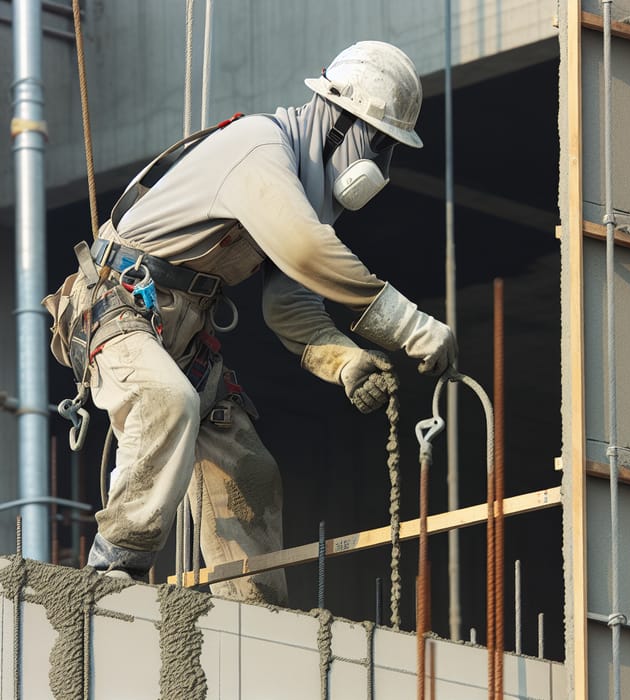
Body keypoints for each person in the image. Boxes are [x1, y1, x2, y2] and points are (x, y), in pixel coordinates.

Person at [43, 40, 457, 604]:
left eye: (389, 149)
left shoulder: (307, 194)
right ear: (335, 120)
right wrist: (412, 327)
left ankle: (252, 611)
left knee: (250, 470)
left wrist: (345, 359)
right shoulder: (261, 149)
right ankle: (114, 571)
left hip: (180, 333)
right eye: (377, 142)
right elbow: (308, 253)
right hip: (117, 306)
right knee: (168, 402)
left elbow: (290, 305)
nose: (379, 164)